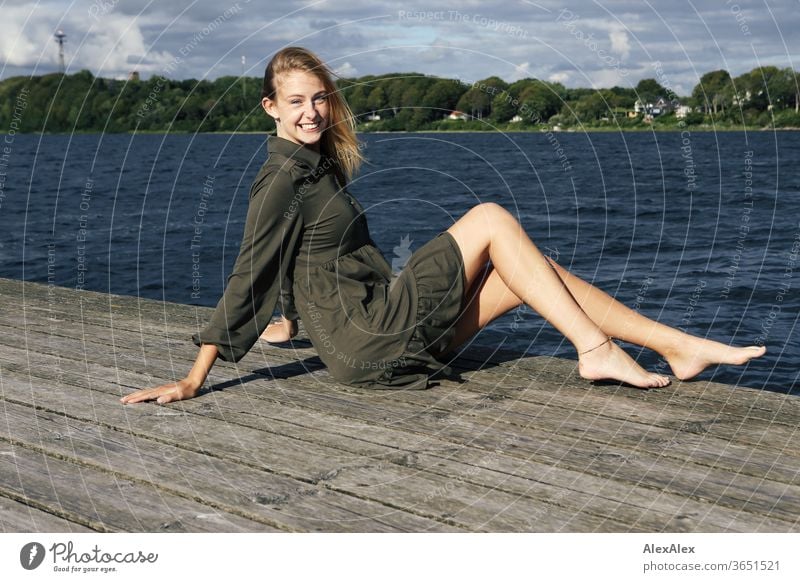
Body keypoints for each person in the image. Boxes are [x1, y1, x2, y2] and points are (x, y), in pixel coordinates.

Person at [121, 47, 765, 405]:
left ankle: (675, 345)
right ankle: (595, 351)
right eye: (297, 101)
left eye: (321, 98)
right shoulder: (284, 177)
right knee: (489, 218)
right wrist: (192, 378)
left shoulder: (315, 168)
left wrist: (288, 321)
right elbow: (249, 271)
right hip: (367, 337)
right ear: (271, 108)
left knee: (527, 276)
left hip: (368, 330)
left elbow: (299, 255)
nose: (313, 111)